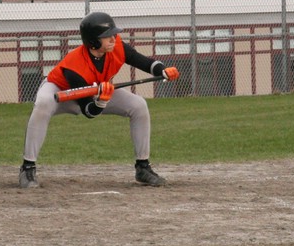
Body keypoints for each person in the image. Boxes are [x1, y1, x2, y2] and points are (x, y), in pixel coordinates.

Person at [19, 12, 180, 189]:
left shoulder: (116, 45)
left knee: (138, 105)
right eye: (107, 36)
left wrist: (163, 70)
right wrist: (101, 102)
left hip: (96, 91)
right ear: (93, 41)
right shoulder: (75, 65)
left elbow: (141, 61)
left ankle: (143, 168)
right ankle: (28, 167)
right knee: (42, 105)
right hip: (60, 91)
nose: (113, 38)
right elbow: (88, 110)